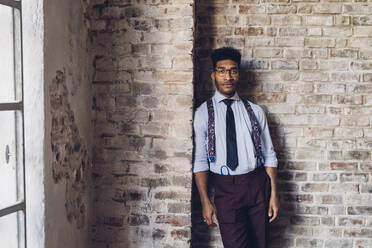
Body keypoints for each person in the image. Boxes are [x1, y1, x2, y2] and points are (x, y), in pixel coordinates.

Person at [193, 47, 279, 248]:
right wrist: (205, 200)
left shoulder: (255, 112)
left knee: (261, 244)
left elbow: (269, 155)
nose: (227, 76)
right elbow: (199, 160)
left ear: (238, 74)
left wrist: (274, 194)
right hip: (225, 188)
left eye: (233, 71)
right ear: (213, 74)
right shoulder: (203, 113)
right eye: (222, 71)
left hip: (257, 184)